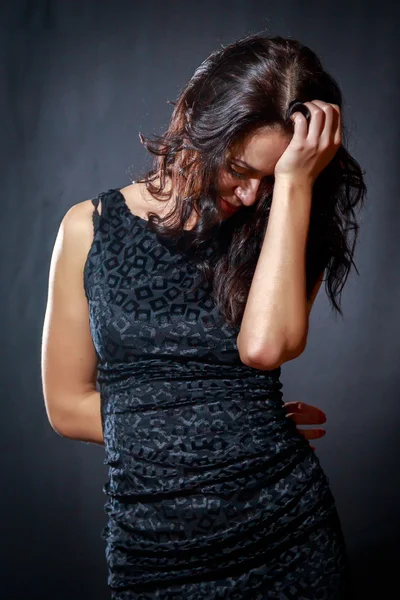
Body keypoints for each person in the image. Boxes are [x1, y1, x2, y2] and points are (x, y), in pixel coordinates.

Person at [41, 32, 366, 598]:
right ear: (197, 122)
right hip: (152, 548)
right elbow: (67, 406)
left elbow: (262, 348)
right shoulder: (87, 229)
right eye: (240, 169)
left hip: (287, 536)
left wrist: (293, 186)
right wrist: (217, 429)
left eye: (272, 179)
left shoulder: (288, 223)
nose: (249, 196)